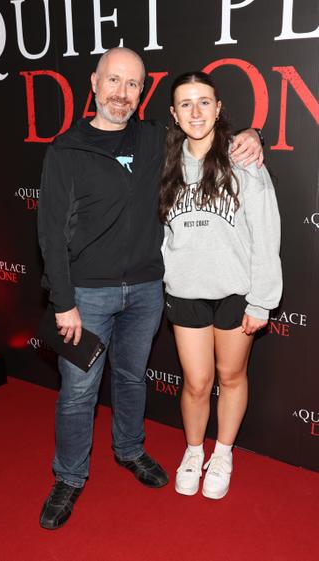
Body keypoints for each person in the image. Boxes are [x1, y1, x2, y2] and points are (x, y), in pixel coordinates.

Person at [38, 48, 263, 529]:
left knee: (131, 378)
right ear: (94, 84)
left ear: (143, 92)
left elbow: (209, 134)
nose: (121, 93)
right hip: (87, 295)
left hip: (146, 290)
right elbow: (50, 232)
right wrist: (64, 303)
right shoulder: (67, 148)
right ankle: (69, 477)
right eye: (113, 82)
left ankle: (129, 450)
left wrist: (253, 135)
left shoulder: (157, 140)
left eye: (133, 85)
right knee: (78, 393)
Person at [159, 71, 282, 500]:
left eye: (204, 101)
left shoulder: (243, 159)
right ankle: (194, 451)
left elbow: (267, 234)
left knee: (231, 377)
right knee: (196, 382)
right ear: (174, 114)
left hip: (235, 292)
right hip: (186, 292)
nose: (196, 111)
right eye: (186, 104)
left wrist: (263, 301)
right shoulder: (165, 163)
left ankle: (224, 451)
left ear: (218, 107)